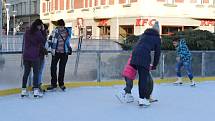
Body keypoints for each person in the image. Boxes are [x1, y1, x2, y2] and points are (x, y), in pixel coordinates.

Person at [130, 21, 161, 106]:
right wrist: (154, 65)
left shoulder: (144, 35)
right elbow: (157, 53)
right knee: (144, 78)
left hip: (135, 55)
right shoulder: (157, 38)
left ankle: (145, 97)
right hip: (143, 57)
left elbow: (138, 46)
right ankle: (142, 99)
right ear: (158, 31)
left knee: (143, 78)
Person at [21, 19, 46, 98]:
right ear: (39, 26)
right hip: (35, 56)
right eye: (41, 26)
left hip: (26, 55)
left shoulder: (27, 32)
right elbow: (43, 41)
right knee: (36, 73)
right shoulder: (38, 33)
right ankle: (36, 92)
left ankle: (23, 91)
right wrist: (43, 31)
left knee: (26, 73)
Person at [47, 19, 72, 91]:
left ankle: (61, 84)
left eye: (61, 26)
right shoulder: (54, 31)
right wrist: (46, 48)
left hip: (64, 53)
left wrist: (68, 48)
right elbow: (50, 40)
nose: (60, 28)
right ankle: (53, 84)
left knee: (62, 69)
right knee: (53, 68)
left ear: (64, 26)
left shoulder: (68, 31)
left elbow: (68, 41)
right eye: (59, 26)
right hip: (56, 52)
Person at [38, 24, 49, 92]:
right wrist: (45, 51)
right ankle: (38, 84)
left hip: (40, 55)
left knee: (39, 71)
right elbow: (42, 46)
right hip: (39, 56)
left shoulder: (41, 34)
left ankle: (38, 84)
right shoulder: (42, 35)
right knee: (39, 71)